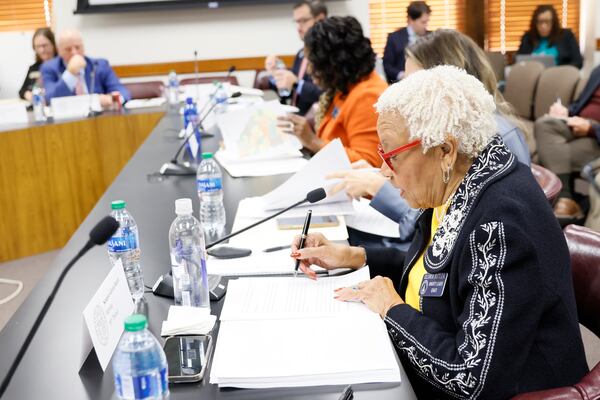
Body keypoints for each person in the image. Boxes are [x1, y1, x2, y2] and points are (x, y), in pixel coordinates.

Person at [291, 65, 588, 399]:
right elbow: (443, 269)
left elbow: (470, 377)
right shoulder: (459, 176)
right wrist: (355, 256)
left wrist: (392, 309)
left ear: (444, 150)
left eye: (391, 155)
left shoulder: (499, 225)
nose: (384, 171)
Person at [329, 29, 530, 248]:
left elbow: (445, 228)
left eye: (413, 83)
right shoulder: (453, 134)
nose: (405, 92)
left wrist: (380, 189)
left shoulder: (490, 136)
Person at [278, 16, 387, 166]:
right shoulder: (343, 86)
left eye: (312, 62)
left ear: (332, 63)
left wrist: (313, 141)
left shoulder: (367, 96)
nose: (309, 70)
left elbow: (368, 165)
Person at [534, 64, 600, 220]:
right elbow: (580, 103)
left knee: (548, 153)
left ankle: (565, 199)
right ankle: (571, 201)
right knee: (544, 123)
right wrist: (566, 112)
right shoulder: (597, 71)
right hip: (578, 122)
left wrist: (591, 129)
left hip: (596, 133)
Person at [264, 0, 326, 115]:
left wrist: (296, 83)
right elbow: (289, 92)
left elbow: (325, 95)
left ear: (320, 19)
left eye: (303, 21)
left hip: (313, 123)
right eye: (297, 22)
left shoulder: (327, 53)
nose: (299, 28)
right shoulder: (301, 53)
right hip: (294, 117)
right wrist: (276, 74)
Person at [40, 29, 131, 107]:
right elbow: (49, 99)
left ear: (83, 47)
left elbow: (123, 92)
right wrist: (70, 74)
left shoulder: (99, 65)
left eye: (78, 47)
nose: (74, 53)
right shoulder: (49, 68)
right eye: (68, 49)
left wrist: (111, 99)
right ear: (59, 51)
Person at [516, 4, 582, 68]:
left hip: (559, 76)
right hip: (532, 77)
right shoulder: (527, 38)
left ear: (554, 22)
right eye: (540, 22)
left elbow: (578, 62)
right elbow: (519, 62)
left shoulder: (566, 35)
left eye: (547, 21)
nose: (543, 26)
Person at [382, 1, 430, 83]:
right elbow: (387, 66)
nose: (426, 25)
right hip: (402, 84)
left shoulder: (431, 37)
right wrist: (403, 75)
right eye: (423, 22)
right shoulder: (394, 38)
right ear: (411, 20)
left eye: (427, 22)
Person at [19, 28, 57, 102]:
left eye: (44, 45)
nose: (41, 50)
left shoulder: (61, 64)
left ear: (53, 44)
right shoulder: (34, 68)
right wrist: (28, 95)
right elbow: (22, 90)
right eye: (38, 47)